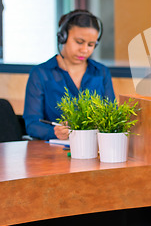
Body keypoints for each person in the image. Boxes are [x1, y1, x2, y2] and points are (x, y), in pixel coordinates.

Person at [23, 9, 115, 140]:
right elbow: (32, 124)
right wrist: (54, 132)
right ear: (63, 37)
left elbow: (111, 117)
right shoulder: (41, 74)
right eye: (79, 42)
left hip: (95, 149)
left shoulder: (101, 72)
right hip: (53, 153)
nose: (84, 50)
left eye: (91, 45)